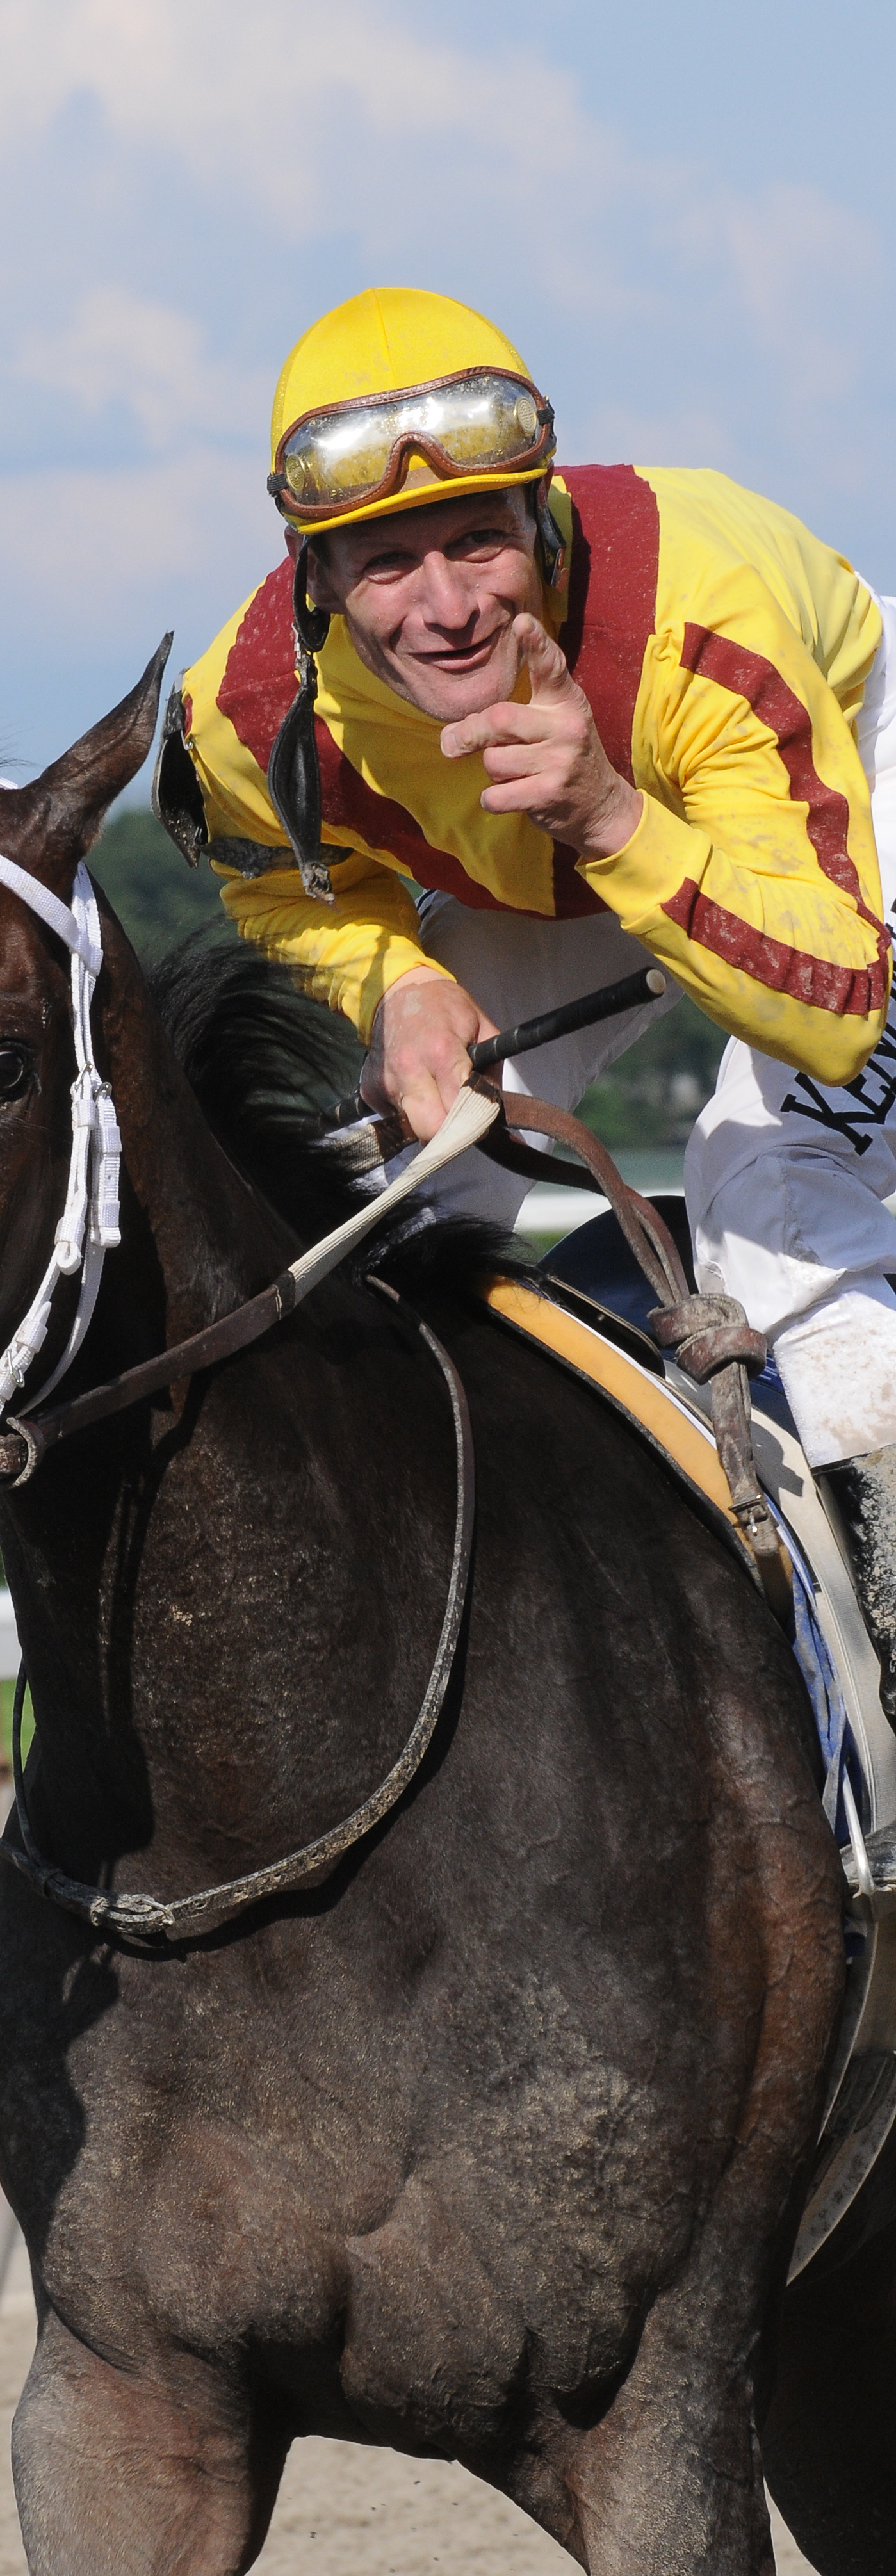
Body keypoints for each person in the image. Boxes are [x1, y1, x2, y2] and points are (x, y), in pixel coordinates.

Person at [172, 287, 896, 1712]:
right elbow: (281, 889)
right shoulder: (242, 715)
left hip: (832, 798)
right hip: (559, 856)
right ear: (311, 576)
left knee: (768, 1169)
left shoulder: (707, 616)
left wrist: (614, 816)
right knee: (395, 1190)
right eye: (384, 563)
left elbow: (832, 1009)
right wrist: (397, 986)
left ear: (544, 516)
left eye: (476, 540)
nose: (443, 606)